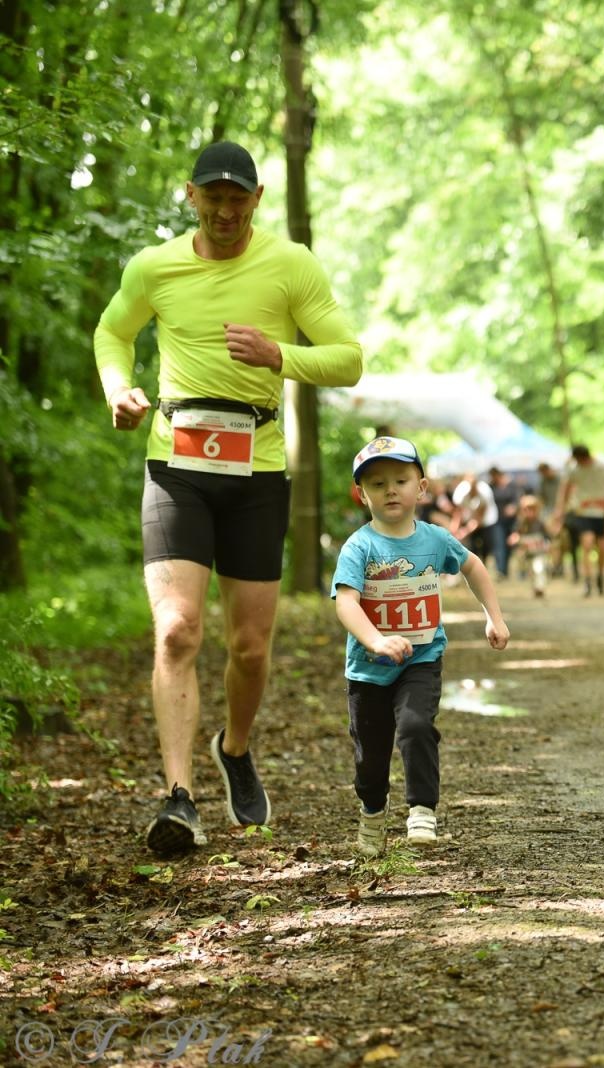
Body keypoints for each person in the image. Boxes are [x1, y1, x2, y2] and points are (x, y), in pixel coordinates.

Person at [93, 140, 363, 855]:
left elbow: (348, 359)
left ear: (257, 199)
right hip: (175, 465)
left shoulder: (290, 265)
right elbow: (113, 331)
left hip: (256, 471)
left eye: (237, 198)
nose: (224, 211)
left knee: (248, 645)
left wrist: (281, 356)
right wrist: (118, 387)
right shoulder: (154, 266)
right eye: (212, 197)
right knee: (177, 630)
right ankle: (179, 797)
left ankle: (234, 748)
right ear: (191, 196)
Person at [332, 437, 510, 856]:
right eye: (377, 484)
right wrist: (376, 639)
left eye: (400, 480)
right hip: (368, 668)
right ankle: (372, 810)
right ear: (362, 495)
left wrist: (494, 616)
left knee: (415, 726)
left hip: (421, 658)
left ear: (422, 488)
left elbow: (473, 566)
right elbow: (346, 602)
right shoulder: (360, 547)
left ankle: (422, 809)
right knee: (370, 759)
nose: (390, 490)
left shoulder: (435, 540)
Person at [558, 445, 604, 597]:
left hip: (602, 513)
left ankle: (600, 577)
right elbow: (565, 488)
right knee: (587, 545)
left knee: (603, 548)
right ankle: (587, 581)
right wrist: (562, 508)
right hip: (583, 513)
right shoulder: (575, 470)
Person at [508, 493, 550, 598]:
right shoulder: (521, 524)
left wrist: (546, 545)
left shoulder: (540, 523)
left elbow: (548, 538)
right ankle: (535, 587)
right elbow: (514, 536)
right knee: (531, 572)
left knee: (539, 568)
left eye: (532, 509)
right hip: (526, 553)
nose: (529, 512)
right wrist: (516, 540)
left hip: (538, 552)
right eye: (526, 509)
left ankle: (540, 587)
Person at [486, 466, 521, 580]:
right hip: (497, 521)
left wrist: (513, 507)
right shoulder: (490, 487)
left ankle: (505, 570)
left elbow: (518, 499)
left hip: (512, 521)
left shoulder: (512, 485)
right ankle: (500, 570)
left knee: (509, 547)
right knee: (499, 545)